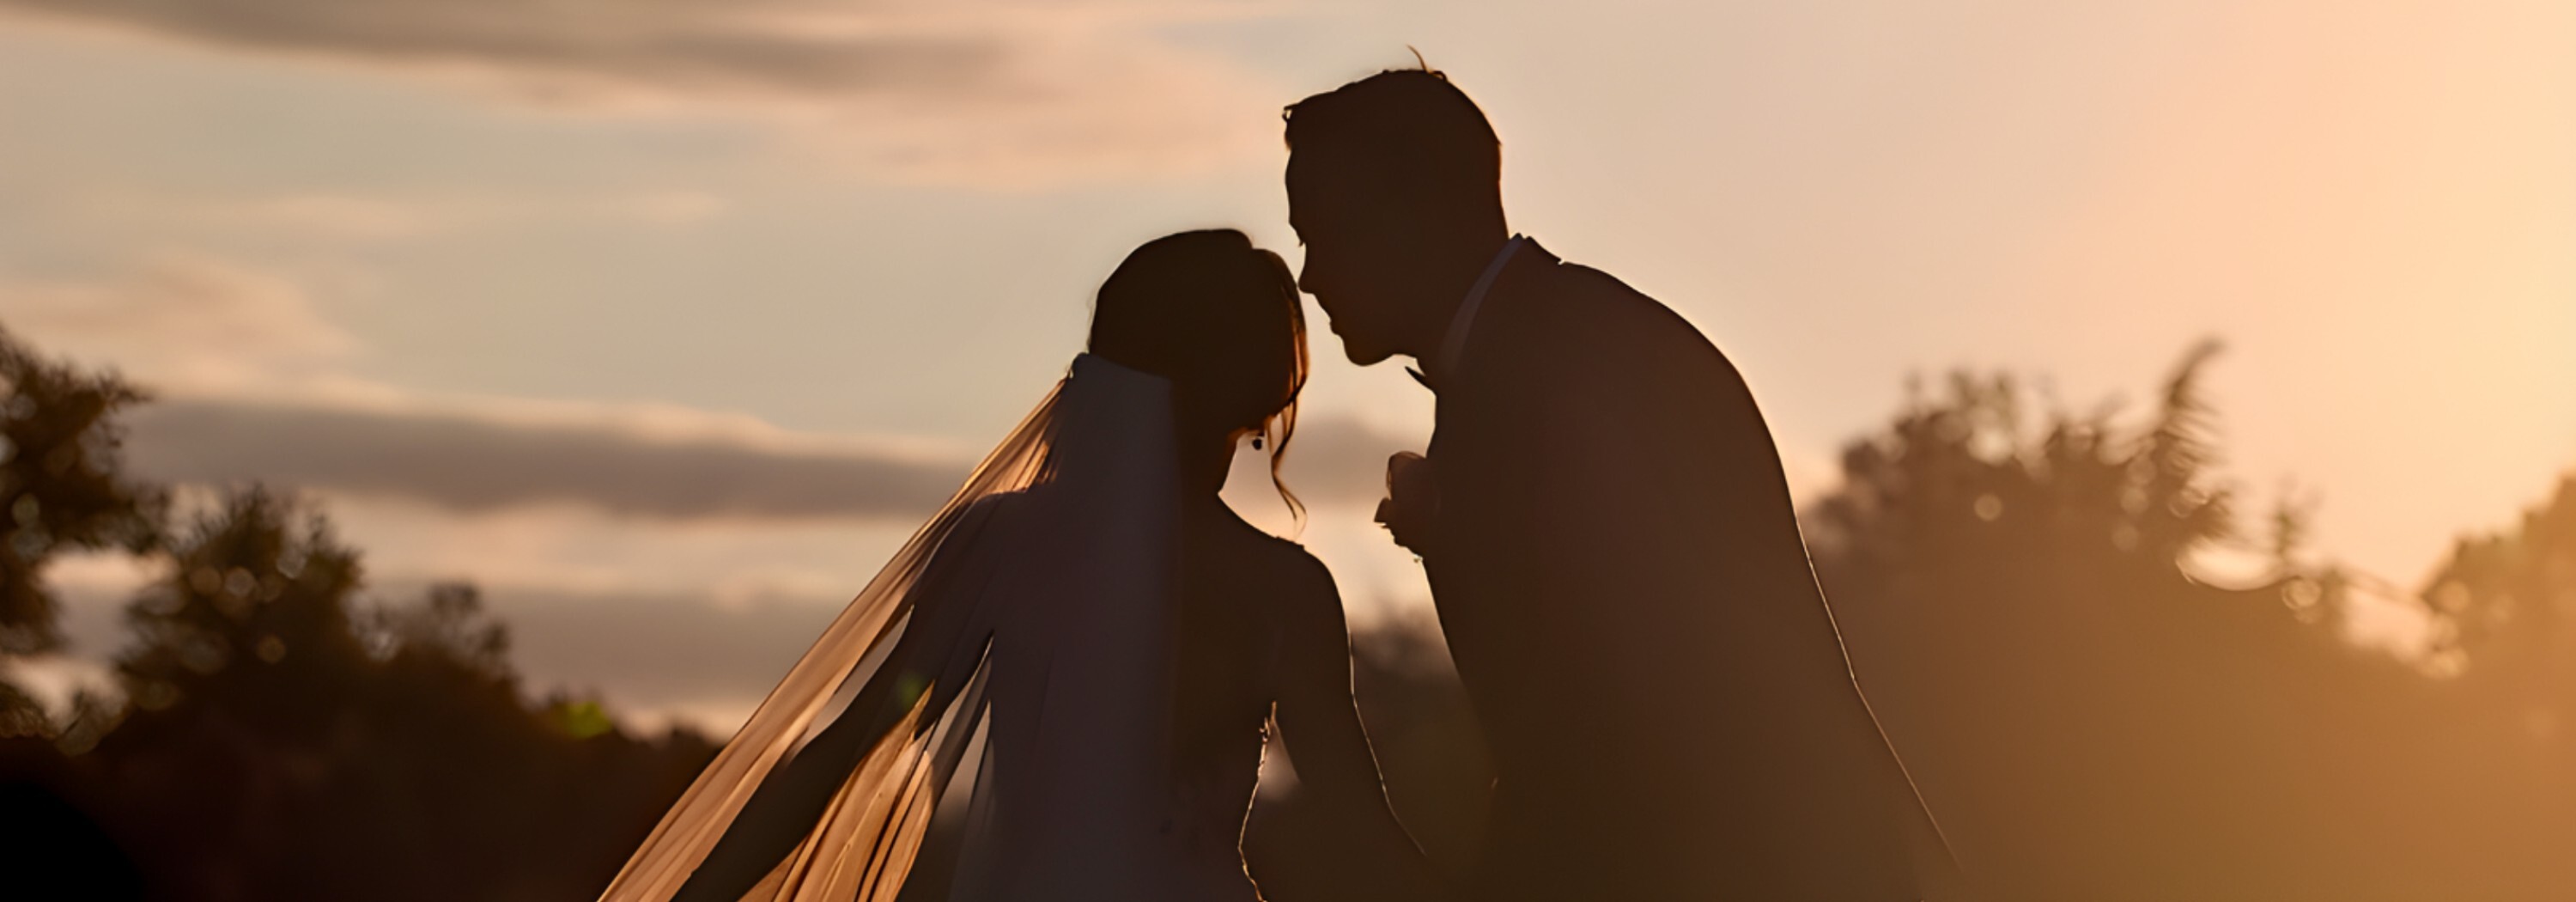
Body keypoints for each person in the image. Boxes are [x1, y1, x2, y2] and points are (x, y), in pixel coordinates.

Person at [598, 230, 1440, 902]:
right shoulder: (1286, 590)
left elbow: (850, 747)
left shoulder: (1001, 544)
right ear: (1263, 405)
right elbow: (1361, 827)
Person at [1285, 68, 1953, 899]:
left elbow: (1633, 718)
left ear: (1421, 214)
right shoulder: (1550, 351)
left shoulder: (1566, 375)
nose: (1309, 276)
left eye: (1329, 234)